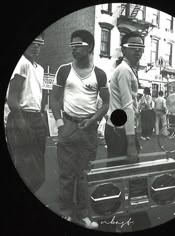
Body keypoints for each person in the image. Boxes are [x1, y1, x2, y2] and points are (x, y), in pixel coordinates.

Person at [50, 30, 109, 229]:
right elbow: (55, 99)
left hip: (88, 130)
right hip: (68, 126)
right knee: (66, 175)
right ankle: (65, 213)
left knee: (85, 175)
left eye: (78, 44)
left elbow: (105, 104)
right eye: (71, 44)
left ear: (90, 47)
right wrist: (59, 124)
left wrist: (92, 121)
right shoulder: (64, 70)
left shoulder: (100, 74)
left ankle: (83, 214)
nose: (73, 47)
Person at [104, 31, 151, 232]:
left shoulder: (127, 70)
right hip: (120, 133)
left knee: (119, 177)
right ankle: (133, 222)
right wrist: (132, 144)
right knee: (131, 178)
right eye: (133, 47)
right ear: (123, 48)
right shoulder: (124, 71)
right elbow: (128, 107)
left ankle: (114, 220)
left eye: (141, 47)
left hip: (117, 130)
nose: (138, 51)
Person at [6, 33, 47, 194]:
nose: (36, 46)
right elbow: (12, 100)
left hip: (36, 118)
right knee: (24, 170)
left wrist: (42, 117)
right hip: (21, 117)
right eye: (33, 42)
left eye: (40, 43)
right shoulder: (21, 63)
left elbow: (38, 97)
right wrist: (22, 124)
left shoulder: (40, 69)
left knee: (38, 172)